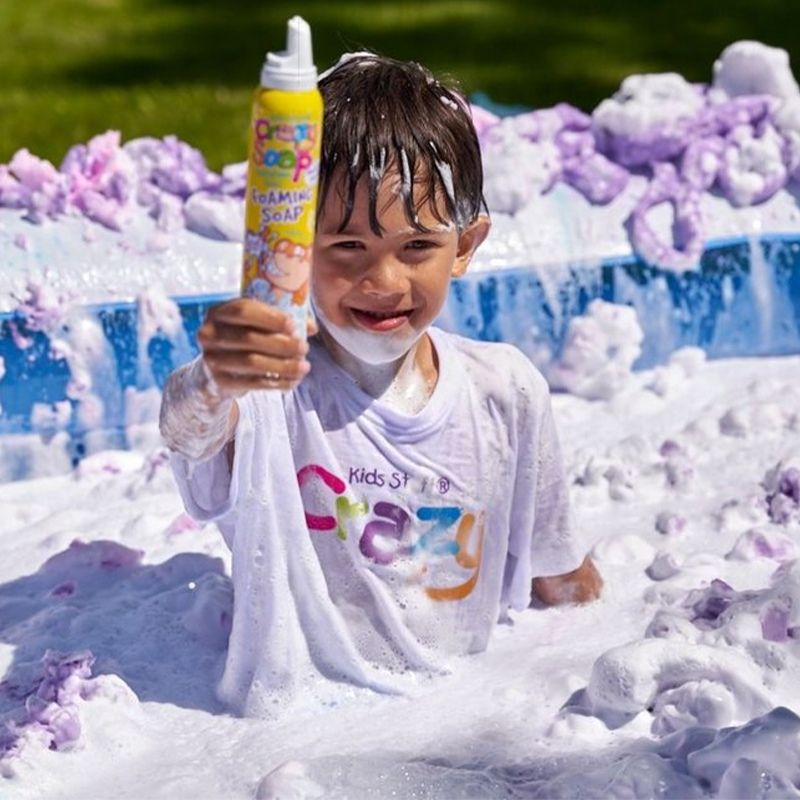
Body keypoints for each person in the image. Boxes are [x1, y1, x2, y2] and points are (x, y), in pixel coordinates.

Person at [160, 54, 602, 714]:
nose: (385, 281)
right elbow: (188, 428)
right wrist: (214, 378)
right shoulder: (271, 392)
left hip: (461, 707)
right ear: (296, 250)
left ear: (467, 245)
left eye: (417, 246)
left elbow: (557, 572)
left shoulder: (505, 390)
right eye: (346, 248)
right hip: (305, 724)